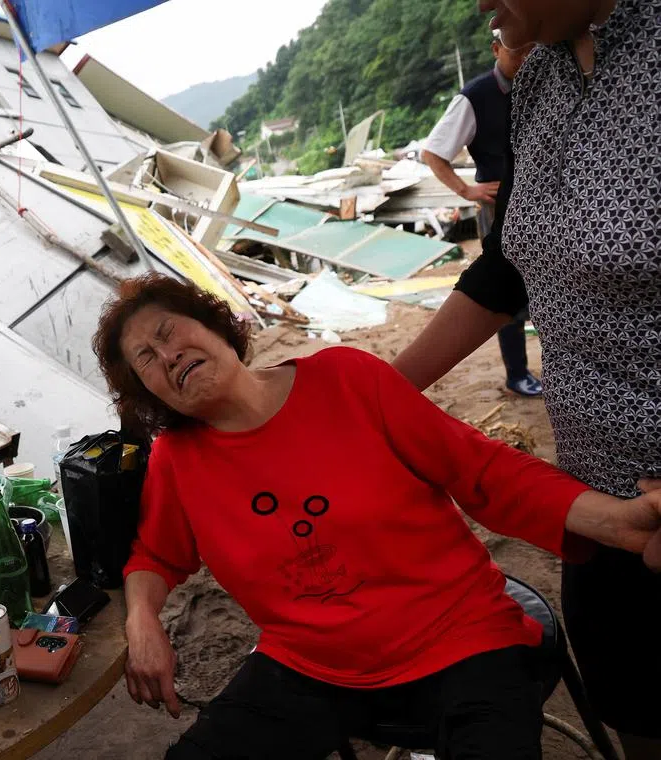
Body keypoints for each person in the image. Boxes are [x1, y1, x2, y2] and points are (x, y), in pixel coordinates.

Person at [91, 274, 661, 759]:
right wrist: (142, 623)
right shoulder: (176, 459)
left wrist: (618, 520)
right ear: (150, 393)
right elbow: (157, 555)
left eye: (168, 333)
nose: (167, 355)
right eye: (147, 360)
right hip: (311, 663)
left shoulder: (348, 379)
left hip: (461, 635)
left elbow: (483, 470)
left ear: (213, 325)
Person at [394, 1, 661, 755]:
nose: (482, 5)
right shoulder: (538, 71)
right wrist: (375, 387)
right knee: (634, 706)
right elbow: (510, 264)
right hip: (598, 492)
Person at [421, 31, 541, 397]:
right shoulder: (476, 96)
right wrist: (466, 190)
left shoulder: (545, 82)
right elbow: (433, 152)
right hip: (500, 209)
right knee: (506, 290)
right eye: (516, 50)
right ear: (495, 49)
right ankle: (517, 374)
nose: (524, 58)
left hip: (544, 205)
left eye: (531, 48)